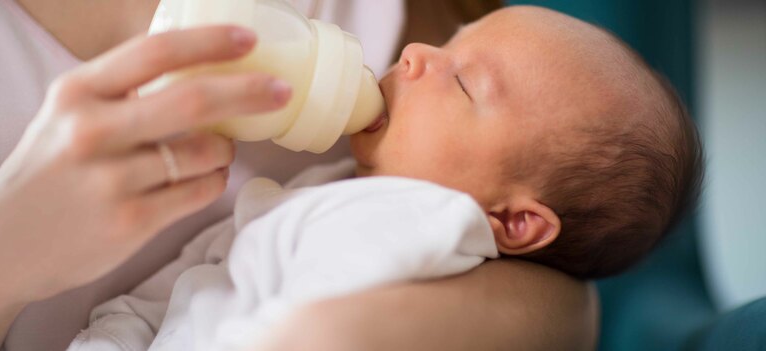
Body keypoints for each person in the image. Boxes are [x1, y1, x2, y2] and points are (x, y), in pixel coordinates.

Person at [67, 6, 702, 351]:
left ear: (514, 221)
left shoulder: (425, 234)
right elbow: (184, 283)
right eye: (450, 40)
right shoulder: (326, 185)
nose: (414, 55)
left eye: (461, 81)